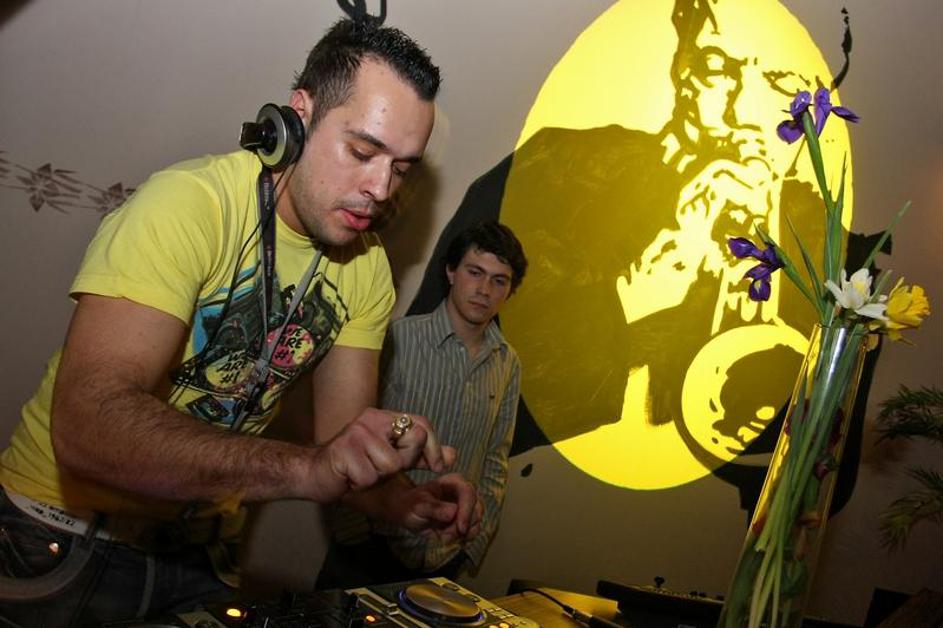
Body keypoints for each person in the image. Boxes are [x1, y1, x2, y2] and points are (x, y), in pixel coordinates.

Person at [0, 17, 480, 627]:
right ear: (298, 118)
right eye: (363, 152)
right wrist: (304, 468)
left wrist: (402, 499)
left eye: (402, 168)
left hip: (202, 558)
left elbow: (343, 452)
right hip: (59, 533)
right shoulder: (188, 205)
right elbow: (87, 426)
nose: (381, 188)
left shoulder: (367, 272)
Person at [315, 220, 526, 588]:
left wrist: (470, 548)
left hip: (445, 558)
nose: (484, 290)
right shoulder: (397, 338)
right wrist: (355, 532)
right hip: (370, 546)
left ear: (510, 290)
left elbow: (496, 459)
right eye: (475, 272)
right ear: (450, 271)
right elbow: (349, 434)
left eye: (499, 280)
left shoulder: (508, 363)